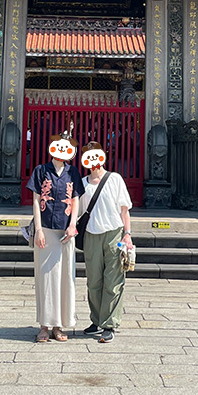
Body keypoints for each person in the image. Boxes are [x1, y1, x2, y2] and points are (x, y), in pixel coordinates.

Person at [26, 127, 82, 343]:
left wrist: (73, 225)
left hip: (66, 230)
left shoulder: (73, 172)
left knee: (65, 277)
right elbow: (35, 200)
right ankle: (44, 325)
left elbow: (76, 198)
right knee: (46, 277)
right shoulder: (41, 170)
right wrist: (38, 229)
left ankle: (59, 325)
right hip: (47, 229)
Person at [78, 140, 133, 344]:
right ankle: (96, 320)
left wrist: (127, 234)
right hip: (91, 235)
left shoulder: (114, 179)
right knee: (93, 281)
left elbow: (124, 209)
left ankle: (109, 324)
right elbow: (78, 211)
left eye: (96, 154)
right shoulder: (82, 183)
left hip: (114, 234)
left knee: (113, 280)